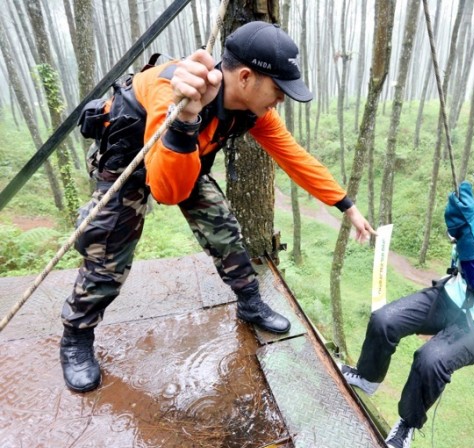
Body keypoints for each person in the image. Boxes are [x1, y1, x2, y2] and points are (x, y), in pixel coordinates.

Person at [60, 21, 374, 393]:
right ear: (246, 77)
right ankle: (76, 336)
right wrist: (186, 119)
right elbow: (167, 191)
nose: (281, 100)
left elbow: (295, 157)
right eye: (278, 90)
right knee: (108, 252)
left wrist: (347, 206)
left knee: (224, 229)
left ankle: (250, 301)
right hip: (129, 162)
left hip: (183, 156)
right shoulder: (171, 93)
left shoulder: (253, 110)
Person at [341, 157, 474, 448]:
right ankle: (368, 378)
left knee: (431, 360)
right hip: (451, 295)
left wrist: (467, 229)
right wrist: (462, 228)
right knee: (384, 320)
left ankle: (407, 424)